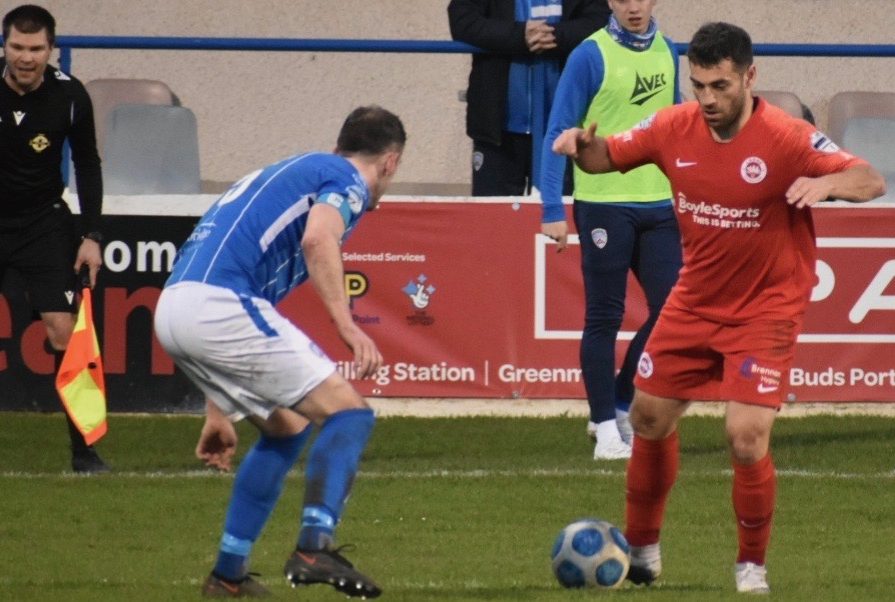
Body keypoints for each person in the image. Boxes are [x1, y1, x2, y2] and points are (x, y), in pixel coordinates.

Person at [554, 21, 885, 593]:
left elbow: (870, 178)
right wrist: (582, 150)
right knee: (648, 419)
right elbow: (607, 158)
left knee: (745, 435)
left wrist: (827, 187)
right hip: (694, 301)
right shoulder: (673, 125)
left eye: (721, 86)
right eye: (699, 85)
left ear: (749, 77)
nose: (707, 99)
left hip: (766, 307)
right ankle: (644, 551)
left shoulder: (786, 136)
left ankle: (751, 564)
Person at [154, 105, 406, 598]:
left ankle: (228, 576)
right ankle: (314, 545)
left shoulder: (289, 172)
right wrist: (347, 326)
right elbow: (319, 238)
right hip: (218, 305)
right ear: (391, 162)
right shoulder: (347, 178)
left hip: (176, 308)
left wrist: (218, 408)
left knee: (287, 427)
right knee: (349, 415)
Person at [539, 0, 680, 460]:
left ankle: (620, 401)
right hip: (603, 204)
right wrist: (551, 208)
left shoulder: (668, 50)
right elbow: (557, 131)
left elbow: (677, 131)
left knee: (673, 312)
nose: (634, 6)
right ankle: (604, 430)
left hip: (659, 205)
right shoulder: (589, 54)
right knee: (605, 315)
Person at [0, 4, 109, 474]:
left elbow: (87, 164)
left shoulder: (70, 96)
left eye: (36, 48)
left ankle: (84, 451)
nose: (26, 57)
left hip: (44, 223)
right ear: (4, 46)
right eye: (17, 47)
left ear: (52, 50)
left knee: (65, 333)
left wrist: (92, 233)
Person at [448, 0, 609, 195]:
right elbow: (462, 21)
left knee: (559, 219)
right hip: (497, 130)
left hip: (565, 130)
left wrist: (555, 36)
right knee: (494, 220)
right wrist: (519, 35)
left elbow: (601, 21)